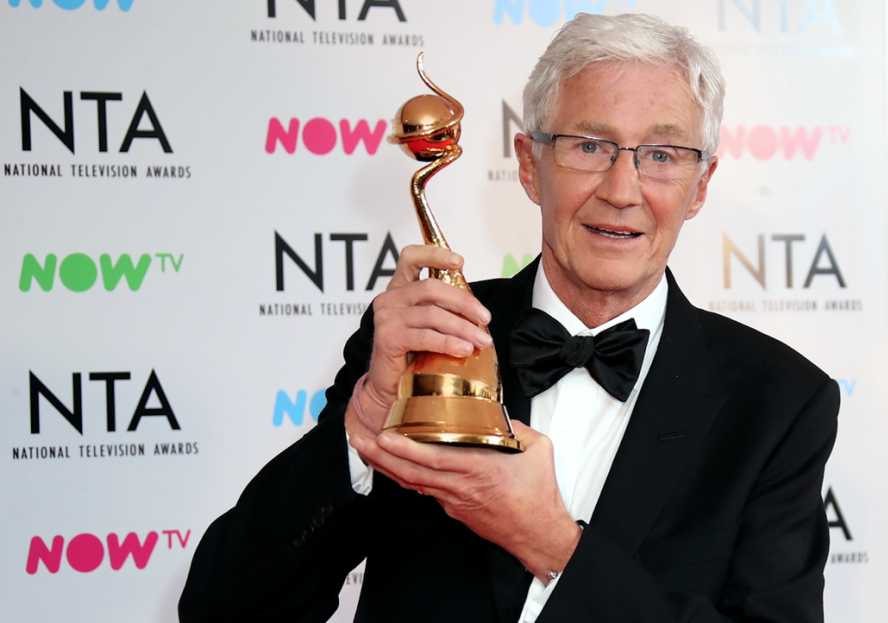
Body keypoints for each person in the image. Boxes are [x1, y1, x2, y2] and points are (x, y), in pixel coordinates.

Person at [180, 13, 839, 623]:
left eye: (661, 155)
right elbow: (222, 609)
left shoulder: (779, 402)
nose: (621, 189)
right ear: (530, 164)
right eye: (589, 145)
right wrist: (360, 430)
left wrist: (554, 543)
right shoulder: (427, 337)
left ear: (701, 185)